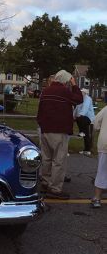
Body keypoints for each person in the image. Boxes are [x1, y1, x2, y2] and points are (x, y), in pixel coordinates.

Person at [37, 70, 83, 199]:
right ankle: (55, 189)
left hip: (45, 129)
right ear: (65, 81)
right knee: (59, 160)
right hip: (59, 130)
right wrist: (74, 85)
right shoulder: (64, 91)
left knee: (46, 158)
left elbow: (40, 110)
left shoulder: (46, 91)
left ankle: (45, 182)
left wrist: (41, 124)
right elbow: (79, 99)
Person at [91, 104, 107, 208]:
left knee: (102, 171)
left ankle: (97, 198)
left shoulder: (106, 109)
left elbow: (96, 122)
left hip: (105, 143)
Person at [73, 88, 95, 156]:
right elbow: (76, 108)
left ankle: (88, 150)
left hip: (88, 118)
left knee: (86, 133)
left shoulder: (88, 98)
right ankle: (86, 149)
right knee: (86, 133)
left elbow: (85, 107)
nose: (81, 94)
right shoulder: (80, 99)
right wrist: (73, 115)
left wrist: (80, 114)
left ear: (85, 93)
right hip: (83, 118)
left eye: (82, 93)